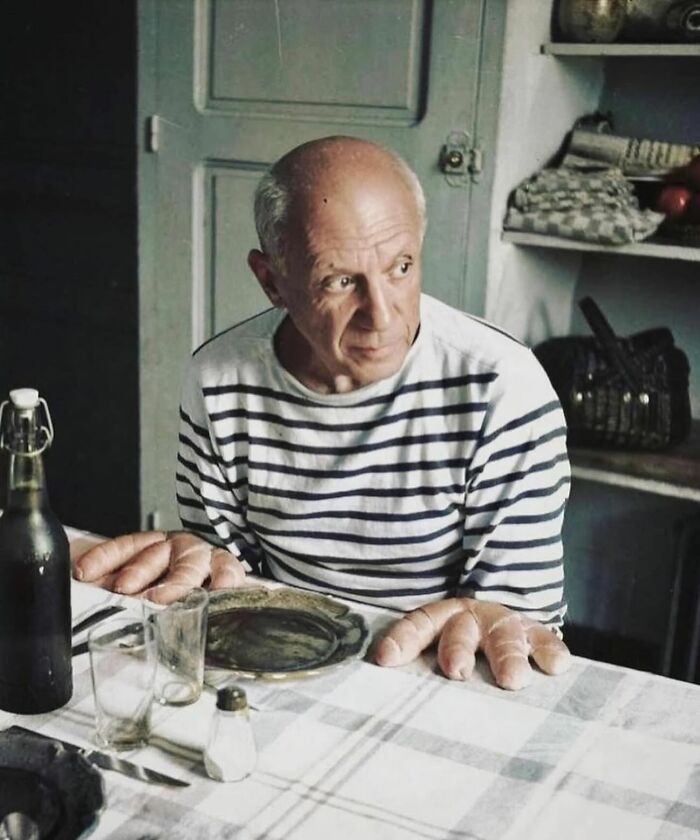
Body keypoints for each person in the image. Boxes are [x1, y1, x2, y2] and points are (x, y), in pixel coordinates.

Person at [75, 136, 572, 690]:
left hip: (440, 674)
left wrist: (492, 620)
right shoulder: (219, 380)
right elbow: (227, 579)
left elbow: (520, 623)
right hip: (286, 662)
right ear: (272, 282)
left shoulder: (501, 386)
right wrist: (203, 560)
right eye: (340, 281)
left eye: (401, 267)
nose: (380, 315)